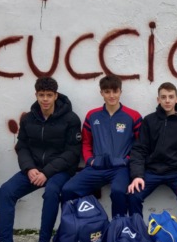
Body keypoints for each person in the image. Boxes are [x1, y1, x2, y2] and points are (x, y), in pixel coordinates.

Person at [0, 77, 81, 242]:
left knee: (51, 192)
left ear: (56, 95)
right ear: (36, 95)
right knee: (7, 190)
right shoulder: (28, 118)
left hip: (59, 171)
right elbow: (23, 146)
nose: (45, 99)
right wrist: (29, 168)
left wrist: (47, 172)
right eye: (41, 95)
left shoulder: (70, 119)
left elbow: (72, 153)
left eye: (49, 95)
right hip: (33, 170)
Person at [60, 75, 142, 216]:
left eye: (115, 91)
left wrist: (127, 160)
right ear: (101, 93)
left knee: (118, 192)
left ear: (120, 92)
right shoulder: (92, 115)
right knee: (68, 190)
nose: (111, 95)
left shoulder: (133, 116)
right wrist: (90, 160)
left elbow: (139, 145)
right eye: (107, 92)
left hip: (120, 168)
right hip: (96, 167)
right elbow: (86, 142)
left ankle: (118, 227)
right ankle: (72, 226)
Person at [127, 82, 177, 227]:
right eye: (163, 97)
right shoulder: (149, 120)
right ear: (158, 99)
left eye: (171, 97)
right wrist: (137, 176)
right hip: (152, 171)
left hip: (176, 172)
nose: (167, 100)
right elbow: (139, 150)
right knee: (133, 195)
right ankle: (138, 232)